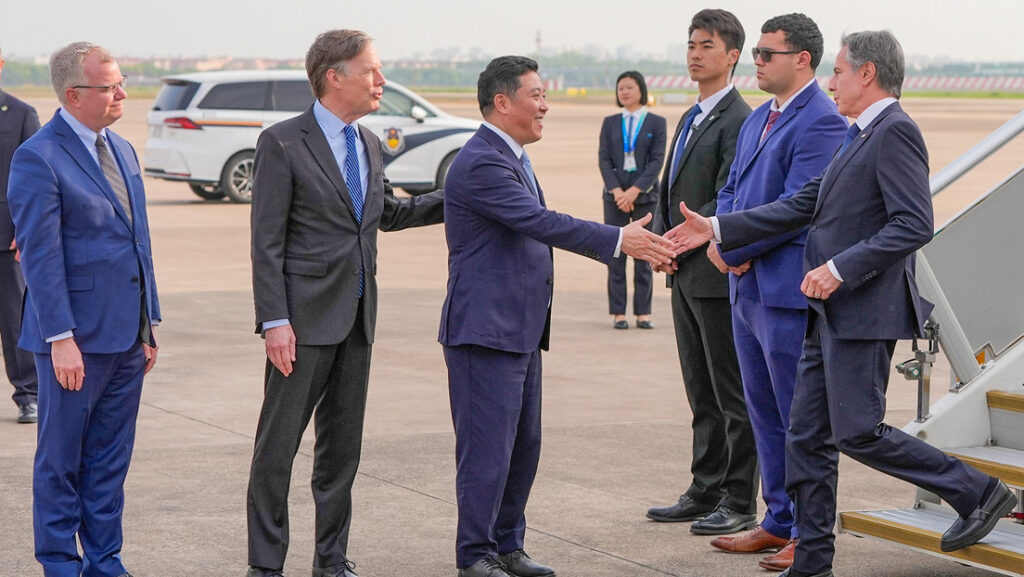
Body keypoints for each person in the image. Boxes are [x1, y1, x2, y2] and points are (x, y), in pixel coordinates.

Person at [667, 30, 1016, 577]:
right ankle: (812, 561)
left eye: (838, 73)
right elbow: (805, 202)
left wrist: (837, 268)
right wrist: (717, 226)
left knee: (856, 431)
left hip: (863, 309)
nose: (830, 83)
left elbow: (914, 223)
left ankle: (979, 491)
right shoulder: (858, 134)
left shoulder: (895, 131)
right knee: (805, 435)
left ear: (867, 74)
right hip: (827, 313)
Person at [439, 55, 676, 577]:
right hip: (484, 331)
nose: (545, 105)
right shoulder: (483, 160)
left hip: (519, 328)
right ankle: (474, 555)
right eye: (537, 95)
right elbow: (539, 221)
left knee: (522, 448)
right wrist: (619, 238)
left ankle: (507, 545)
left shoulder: (513, 156)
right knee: (486, 452)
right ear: (503, 103)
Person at [246, 29, 444, 577]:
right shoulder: (283, 142)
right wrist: (275, 321)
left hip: (358, 319)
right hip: (302, 323)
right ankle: (265, 566)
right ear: (335, 76)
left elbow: (389, 214)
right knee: (276, 452)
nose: (382, 81)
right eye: (372, 71)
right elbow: (266, 242)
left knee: (341, 454)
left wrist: (464, 192)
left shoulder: (368, 143)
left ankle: (331, 561)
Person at [693, 13, 847, 571]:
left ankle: (809, 533)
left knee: (797, 420)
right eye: (755, 53)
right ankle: (777, 519)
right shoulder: (760, 117)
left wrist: (728, 247)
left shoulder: (822, 123)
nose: (755, 61)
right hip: (746, 289)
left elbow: (797, 208)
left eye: (765, 54)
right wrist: (723, 241)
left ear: (802, 59)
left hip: (782, 292)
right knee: (762, 413)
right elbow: (731, 188)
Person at [8, 41, 160, 577]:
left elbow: (138, 243)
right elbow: (42, 258)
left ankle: (105, 562)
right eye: (110, 86)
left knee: (109, 462)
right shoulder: (38, 157)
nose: (122, 94)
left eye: (121, 82)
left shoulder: (120, 148)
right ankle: (58, 564)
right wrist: (61, 338)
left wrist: (148, 325)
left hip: (125, 339)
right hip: (73, 343)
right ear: (74, 95)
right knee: (61, 462)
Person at [646, 8, 758, 539]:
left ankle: (739, 498)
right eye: (691, 44)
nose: (695, 53)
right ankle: (704, 486)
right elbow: (674, 192)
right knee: (700, 390)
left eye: (707, 45)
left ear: (733, 55)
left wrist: (684, 240)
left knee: (731, 391)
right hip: (683, 272)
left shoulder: (740, 119)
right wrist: (662, 244)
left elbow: (727, 197)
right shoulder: (692, 116)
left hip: (715, 274)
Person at [598, 70, 666, 329]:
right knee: (615, 254)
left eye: (629, 87)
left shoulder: (656, 122)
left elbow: (657, 161)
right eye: (620, 88)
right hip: (614, 197)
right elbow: (604, 159)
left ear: (641, 90)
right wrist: (617, 192)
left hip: (645, 197)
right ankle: (618, 313)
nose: (624, 92)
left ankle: (643, 313)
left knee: (643, 256)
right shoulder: (610, 122)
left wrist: (634, 191)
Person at [0, 46, 40, 424]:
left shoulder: (20, 114)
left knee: (15, 320)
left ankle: (28, 394)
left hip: (5, 237)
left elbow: (38, 180)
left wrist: (24, 230)